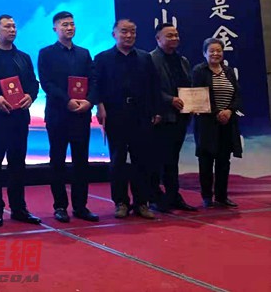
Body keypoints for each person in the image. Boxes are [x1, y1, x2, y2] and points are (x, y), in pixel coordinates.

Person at [0, 15, 41, 227]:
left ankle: (18, 207)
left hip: (19, 117)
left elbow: (33, 83)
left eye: (14, 26)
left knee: (18, 164)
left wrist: (30, 96)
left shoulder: (23, 57)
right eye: (7, 26)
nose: (12, 30)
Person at [94, 19, 161, 220]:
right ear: (114, 34)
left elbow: (154, 86)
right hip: (115, 114)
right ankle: (121, 202)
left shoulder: (145, 58)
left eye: (132, 31)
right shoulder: (103, 58)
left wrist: (156, 111)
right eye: (124, 31)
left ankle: (142, 203)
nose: (129, 35)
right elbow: (96, 86)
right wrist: (99, 106)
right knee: (118, 160)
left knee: (142, 160)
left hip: (141, 114)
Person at [38, 11, 99, 223]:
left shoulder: (84, 53)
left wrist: (89, 101)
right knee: (57, 162)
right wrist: (67, 101)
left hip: (81, 114)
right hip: (58, 115)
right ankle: (60, 206)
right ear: (55, 28)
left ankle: (81, 206)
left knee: (81, 162)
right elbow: (46, 83)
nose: (69, 28)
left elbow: (93, 80)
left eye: (72, 24)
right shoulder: (46, 53)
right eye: (64, 24)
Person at [149, 23, 197, 212]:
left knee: (172, 159)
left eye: (176, 35)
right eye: (169, 36)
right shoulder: (150, 59)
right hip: (161, 118)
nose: (174, 38)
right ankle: (155, 197)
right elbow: (148, 89)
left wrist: (194, 103)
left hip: (180, 118)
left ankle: (173, 195)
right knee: (157, 159)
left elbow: (188, 86)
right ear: (158, 39)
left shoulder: (182, 60)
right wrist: (170, 100)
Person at [191, 38, 243, 208]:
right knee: (206, 161)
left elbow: (237, 95)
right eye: (211, 51)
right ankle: (207, 196)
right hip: (207, 124)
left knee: (224, 160)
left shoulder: (228, 71)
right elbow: (198, 96)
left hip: (228, 123)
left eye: (219, 51)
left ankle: (222, 196)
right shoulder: (199, 71)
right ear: (204, 53)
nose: (215, 54)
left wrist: (229, 111)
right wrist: (217, 113)